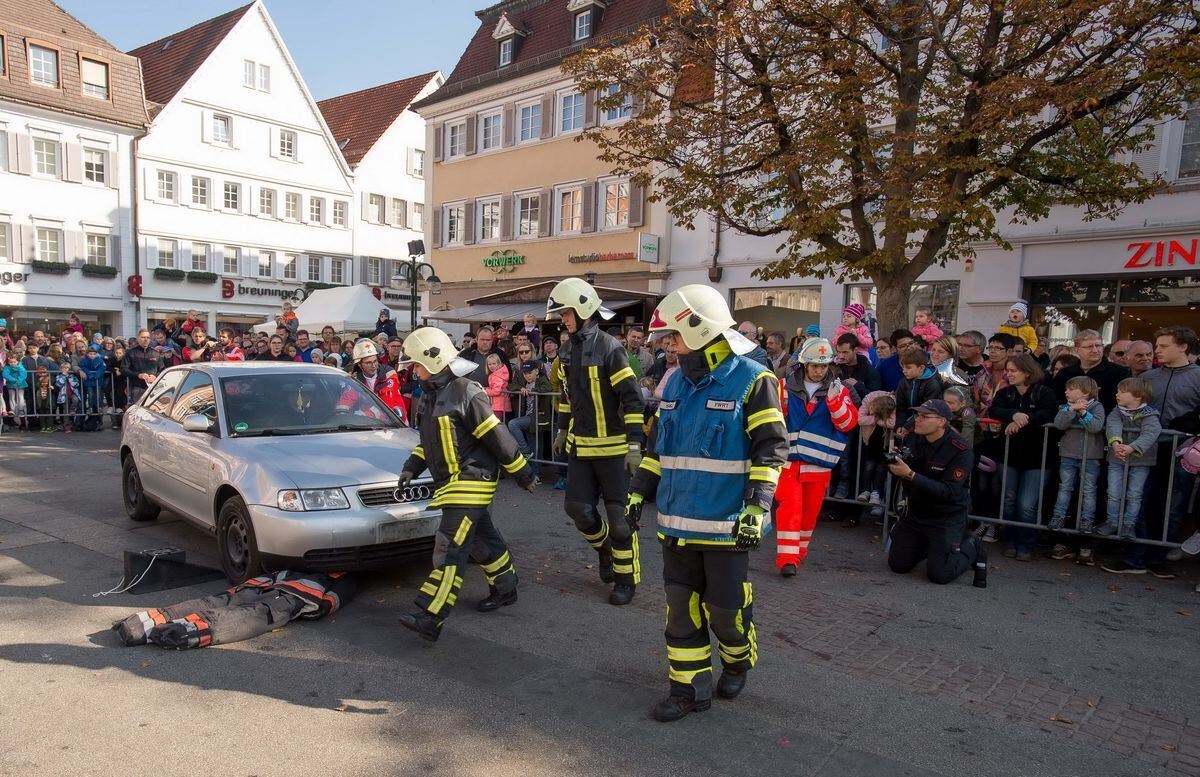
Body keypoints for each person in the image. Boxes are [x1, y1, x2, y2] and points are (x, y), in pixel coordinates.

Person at [628, 284, 788, 722]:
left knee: (725, 613)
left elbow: (771, 449)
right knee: (680, 611)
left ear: (699, 331)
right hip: (675, 527)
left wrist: (758, 507)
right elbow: (660, 450)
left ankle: (737, 658)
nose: (668, 346)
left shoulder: (755, 381)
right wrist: (637, 491)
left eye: (673, 337)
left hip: (726, 527)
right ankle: (688, 690)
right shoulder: (675, 381)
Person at [394, 327, 535, 642]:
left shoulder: (466, 391)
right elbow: (427, 444)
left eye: (416, 365)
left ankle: (432, 616)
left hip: (472, 479)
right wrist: (411, 468)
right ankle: (506, 587)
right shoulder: (429, 397)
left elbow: (496, 435)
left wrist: (523, 472)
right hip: (452, 482)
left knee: (450, 546)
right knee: (480, 540)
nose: (413, 371)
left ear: (433, 361)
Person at [547, 277, 645, 606]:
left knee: (620, 520)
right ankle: (604, 549)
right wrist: (562, 429)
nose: (563, 319)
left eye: (566, 313)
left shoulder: (610, 348)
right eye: (561, 314)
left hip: (615, 449)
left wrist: (634, 445)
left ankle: (625, 578)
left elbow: (632, 400)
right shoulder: (564, 351)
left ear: (584, 309)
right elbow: (565, 397)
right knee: (577, 509)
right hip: (581, 447)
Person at [1116, 327, 1200, 575]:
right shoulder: (1149, 378)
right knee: (1138, 500)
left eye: (1163, 346)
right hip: (1145, 448)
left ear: (1183, 347)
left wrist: (1186, 424)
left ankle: (1158, 558)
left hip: (1181, 452)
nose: (1158, 351)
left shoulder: (1197, 376)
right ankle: (1135, 557)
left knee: (1172, 504)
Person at [775, 338, 859, 569]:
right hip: (787, 462)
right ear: (804, 365)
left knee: (809, 514)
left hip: (820, 464)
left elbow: (848, 424)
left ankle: (797, 554)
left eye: (823, 366)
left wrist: (834, 402)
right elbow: (774, 420)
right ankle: (787, 560)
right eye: (814, 366)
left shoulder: (839, 390)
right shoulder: (782, 386)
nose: (819, 370)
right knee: (790, 508)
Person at [885, 399, 987, 586]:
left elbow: (949, 492)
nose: (918, 420)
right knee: (898, 565)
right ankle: (932, 548)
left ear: (941, 421)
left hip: (946, 516)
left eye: (925, 416)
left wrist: (910, 474)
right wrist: (896, 463)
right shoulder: (913, 438)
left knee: (939, 575)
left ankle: (971, 545)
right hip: (916, 513)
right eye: (917, 415)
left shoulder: (960, 449)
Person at [987, 353, 1057, 561]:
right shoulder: (1006, 394)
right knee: (1008, 501)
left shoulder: (1044, 393)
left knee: (1026, 504)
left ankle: (1026, 544)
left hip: (1038, 458)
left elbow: (1049, 413)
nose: (1009, 374)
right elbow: (995, 409)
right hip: (1009, 456)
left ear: (1027, 373)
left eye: (1013, 371)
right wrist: (1012, 415)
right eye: (1008, 370)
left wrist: (1024, 419)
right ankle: (1010, 540)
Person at [1096, 379, 1161, 543]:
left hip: (1141, 462)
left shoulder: (1150, 414)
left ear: (1138, 396)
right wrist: (1116, 443)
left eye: (1122, 392)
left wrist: (1132, 447)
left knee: (1134, 494)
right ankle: (1112, 521)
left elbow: (1151, 433)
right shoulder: (1117, 411)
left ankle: (1128, 524)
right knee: (1113, 493)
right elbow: (1112, 424)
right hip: (1116, 458)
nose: (1117, 394)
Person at [1048, 377, 1106, 537]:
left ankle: (1087, 519)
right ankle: (1058, 516)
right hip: (1068, 454)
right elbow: (1059, 424)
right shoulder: (1065, 407)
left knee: (1089, 490)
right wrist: (1071, 409)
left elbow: (1095, 427)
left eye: (1071, 388)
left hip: (1091, 456)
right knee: (1065, 487)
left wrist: (1083, 411)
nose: (1067, 391)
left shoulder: (1097, 407)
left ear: (1086, 392)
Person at [1052, 329, 1130, 412]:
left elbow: (1121, 403)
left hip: (1104, 421)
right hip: (1069, 420)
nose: (1095, 350)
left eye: (1098, 345)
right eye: (1089, 347)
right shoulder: (1065, 373)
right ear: (1077, 350)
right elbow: (1056, 400)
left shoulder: (1119, 372)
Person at [508, 360, 553, 481]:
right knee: (535, 446)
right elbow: (510, 386)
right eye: (525, 373)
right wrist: (521, 388)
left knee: (536, 445)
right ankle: (533, 470)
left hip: (539, 417)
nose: (527, 375)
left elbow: (548, 387)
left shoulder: (541, 379)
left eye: (529, 372)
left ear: (537, 371)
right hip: (529, 417)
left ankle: (533, 468)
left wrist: (533, 391)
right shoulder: (524, 381)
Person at [344, 340, 408, 423]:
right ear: (359, 365)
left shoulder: (389, 374)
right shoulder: (356, 379)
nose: (373, 366)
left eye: (375, 361)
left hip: (395, 423)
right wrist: (341, 413)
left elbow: (386, 406)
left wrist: (364, 415)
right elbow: (347, 398)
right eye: (368, 363)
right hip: (368, 423)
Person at [857, 391, 897, 508]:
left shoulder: (891, 405)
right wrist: (876, 419)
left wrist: (880, 421)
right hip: (870, 444)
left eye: (873, 408)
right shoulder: (871, 399)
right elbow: (859, 419)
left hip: (884, 447)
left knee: (881, 470)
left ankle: (876, 493)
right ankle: (865, 490)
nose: (870, 408)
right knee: (868, 467)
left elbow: (892, 423)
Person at [895, 349, 942, 431]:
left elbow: (925, 410)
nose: (904, 371)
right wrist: (899, 426)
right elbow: (901, 407)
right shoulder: (903, 382)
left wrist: (907, 426)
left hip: (926, 424)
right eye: (903, 367)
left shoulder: (932, 385)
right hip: (908, 423)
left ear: (921, 368)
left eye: (908, 368)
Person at [834, 332, 881, 400]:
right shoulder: (834, 368)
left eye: (845, 352)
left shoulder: (869, 370)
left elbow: (876, 398)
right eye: (838, 352)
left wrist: (857, 385)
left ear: (855, 350)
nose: (841, 356)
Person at [121, 329, 163, 405]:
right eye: (143, 337)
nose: (145, 339)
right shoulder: (131, 353)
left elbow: (162, 369)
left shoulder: (156, 353)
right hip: (137, 387)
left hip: (153, 388)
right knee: (137, 411)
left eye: (148, 337)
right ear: (138, 338)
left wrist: (156, 377)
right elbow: (123, 369)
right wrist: (138, 375)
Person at [3, 353, 28, 430]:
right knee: (11, 397)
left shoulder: (20, 366)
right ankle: (12, 410)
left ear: (17, 361)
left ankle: (21, 410)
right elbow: (5, 374)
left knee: (21, 397)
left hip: (20, 384)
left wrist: (18, 382)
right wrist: (13, 380)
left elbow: (23, 374)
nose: (12, 364)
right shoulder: (7, 367)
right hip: (11, 384)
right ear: (8, 362)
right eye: (11, 362)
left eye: (14, 362)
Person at [484, 352, 511, 422]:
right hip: (500, 405)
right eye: (489, 364)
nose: (491, 366)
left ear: (498, 364)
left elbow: (496, 391)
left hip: (499, 406)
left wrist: (484, 391)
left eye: (494, 364)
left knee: (496, 426)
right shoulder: (495, 375)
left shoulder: (498, 376)